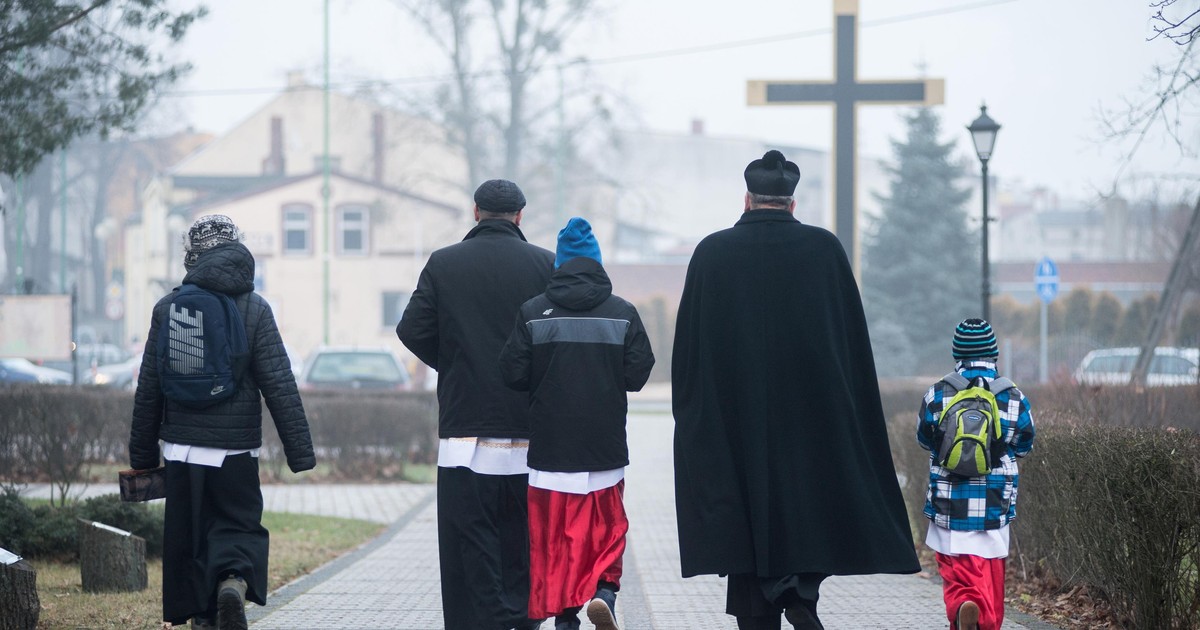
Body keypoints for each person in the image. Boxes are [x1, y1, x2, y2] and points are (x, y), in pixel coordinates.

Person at [671, 150, 921, 630]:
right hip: (811, 420)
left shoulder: (712, 252)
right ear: (791, 202)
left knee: (746, 525)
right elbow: (851, 346)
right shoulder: (824, 250)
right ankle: (799, 595)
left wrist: (695, 417)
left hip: (734, 421)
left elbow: (689, 352)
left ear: (747, 199)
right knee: (805, 513)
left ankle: (773, 603)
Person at [128, 214, 315, 630]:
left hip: (181, 451)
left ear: (191, 257)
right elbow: (279, 384)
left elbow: (149, 388)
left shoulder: (168, 307)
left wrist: (142, 454)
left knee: (190, 539)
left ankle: (204, 617)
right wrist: (300, 453)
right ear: (235, 249)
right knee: (237, 526)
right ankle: (232, 581)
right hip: (235, 450)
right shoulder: (255, 309)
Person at [397, 179, 554, 630]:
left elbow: (412, 328)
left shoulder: (445, 263)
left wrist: (455, 363)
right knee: (522, 536)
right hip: (528, 425)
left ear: (475, 211)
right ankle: (523, 618)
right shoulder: (546, 264)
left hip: (465, 423)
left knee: (469, 536)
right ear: (520, 216)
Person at [499, 217, 655, 630]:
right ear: (597, 263)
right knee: (607, 527)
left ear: (560, 264)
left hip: (550, 448)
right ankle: (604, 591)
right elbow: (638, 375)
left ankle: (565, 615)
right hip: (604, 446)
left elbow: (512, 373)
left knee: (554, 536)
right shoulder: (622, 313)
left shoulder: (533, 313)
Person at [917, 318, 1035, 630]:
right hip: (995, 502)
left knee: (956, 571)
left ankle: (963, 606)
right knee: (991, 572)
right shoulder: (1012, 396)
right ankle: (986, 618)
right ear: (993, 354)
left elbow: (924, 439)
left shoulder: (938, 393)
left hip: (950, 500)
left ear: (957, 354)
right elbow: (1025, 443)